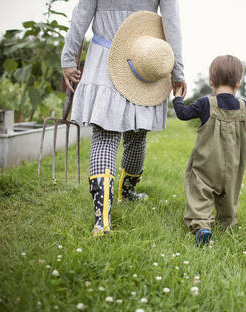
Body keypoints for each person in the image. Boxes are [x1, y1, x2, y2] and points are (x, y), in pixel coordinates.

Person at [61, 0, 186, 236]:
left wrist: (68, 60)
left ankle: (102, 220)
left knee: (104, 137)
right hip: (144, 62)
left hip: (104, 61)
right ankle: (126, 194)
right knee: (136, 136)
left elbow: (81, 15)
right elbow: (172, 24)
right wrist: (177, 71)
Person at [172, 55, 246, 245]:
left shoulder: (205, 103)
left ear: (211, 81)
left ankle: (202, 226)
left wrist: (178, 98)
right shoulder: (244, 106)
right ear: (238, 83)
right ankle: (227, 223)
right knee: (229, 193)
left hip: (206, 164)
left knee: (200, 192)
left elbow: (182, 114)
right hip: (232, 166)